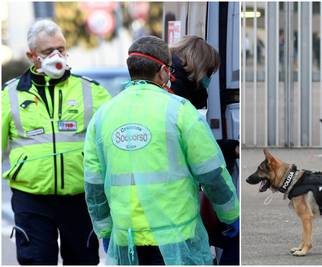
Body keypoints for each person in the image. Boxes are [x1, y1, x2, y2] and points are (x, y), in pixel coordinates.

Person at [83, 36, 240, 265]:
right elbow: (212, 174)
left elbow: (94, 186)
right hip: (175, 240)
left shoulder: (103, 116)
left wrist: (105, 232)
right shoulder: (181, 111)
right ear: (164, 72)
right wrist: (231, 216)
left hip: (127, 240)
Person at [1, 19, 111, 264]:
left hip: (79, 196)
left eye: (61, 49)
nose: (57, 55)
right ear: (32, 56)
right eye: (48, 51)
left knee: (83, 260)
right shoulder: (9, 96)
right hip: (31, 198)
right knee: (36, 261)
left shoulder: (91, 91)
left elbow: (110, 143)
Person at [169, 35, 240, 264]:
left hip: (148, 210)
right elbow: (200, 159)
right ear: (201, 67)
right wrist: (232, 216)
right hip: (176, 205)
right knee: (234, 242)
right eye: (210, 72)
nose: (210, 79)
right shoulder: (182, 100)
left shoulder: (170, 87)